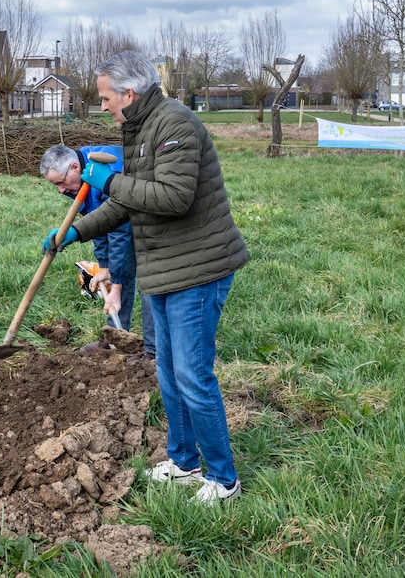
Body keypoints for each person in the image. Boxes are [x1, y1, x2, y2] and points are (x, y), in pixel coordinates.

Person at [42, 50, 249, 505]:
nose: (102, 106)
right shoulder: (139, 131)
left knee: (193, 375)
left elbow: (173, 197)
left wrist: (108, 179)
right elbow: (124, 206)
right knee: (168, 371)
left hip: (197, 268)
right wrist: (75, 232)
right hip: (165, 268)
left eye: (104, 98)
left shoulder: (174, 125)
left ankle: (223, 478)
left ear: (128, 93)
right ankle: (183, 460)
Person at [39, 144, 155, 361]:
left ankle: (153, 350)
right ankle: (114, 340)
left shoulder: (106, 171)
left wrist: (117, 284)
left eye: (60, 183)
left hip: (148, 223)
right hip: (123, 225)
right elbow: (99, 224)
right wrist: (104, 266)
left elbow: (120, 230)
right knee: (117, 274)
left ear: (74, 167)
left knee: (149, 281)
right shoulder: (79, 180)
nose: (60, 190)